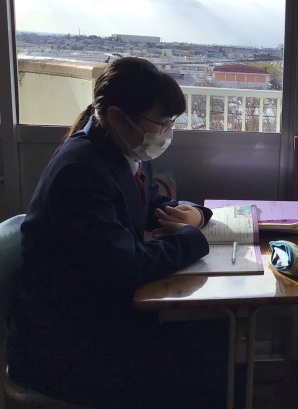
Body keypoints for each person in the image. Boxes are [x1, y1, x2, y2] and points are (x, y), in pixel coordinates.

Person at [8, 57, 227, 408]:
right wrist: (192, 240)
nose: (166, 132)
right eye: (161, 122)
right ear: (116, 117)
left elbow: (151, 204)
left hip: (100, 315)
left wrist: (196, 215)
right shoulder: (80, 171)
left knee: (213, 333)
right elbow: (127, 265)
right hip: (69, 342)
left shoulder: (121, 149)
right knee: (203, 352)